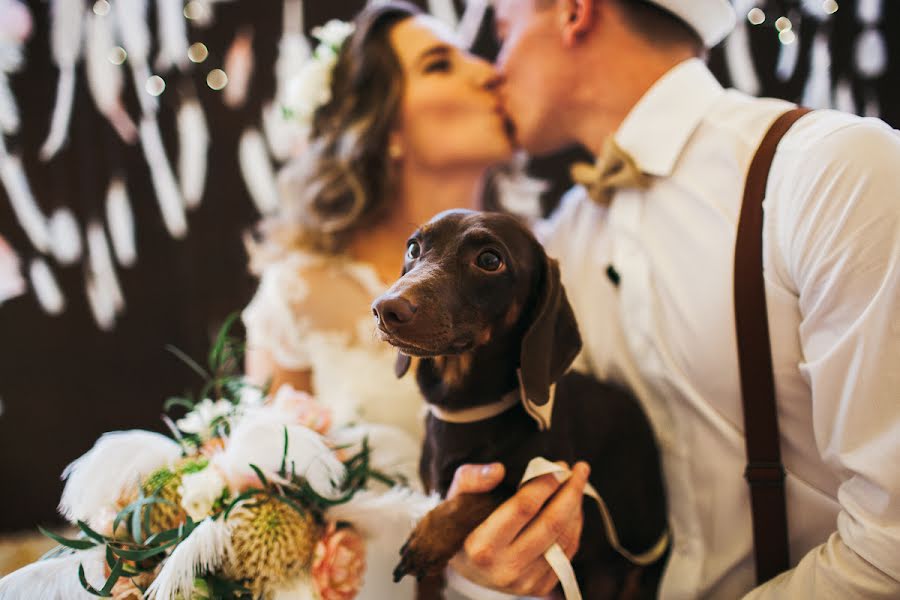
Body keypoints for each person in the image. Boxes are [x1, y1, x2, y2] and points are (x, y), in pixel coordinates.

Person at [446, 0, 900, 598]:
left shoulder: (831, 169)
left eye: (504, 34)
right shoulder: (562, 241)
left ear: (574, 13)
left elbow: (889, 546)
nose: (496, 68)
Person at [241, 3, 517, 599]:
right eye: (442, 64)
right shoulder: (299, 292)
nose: (489, 72)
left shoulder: (536, 270)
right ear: (385, 127)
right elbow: (259, 506)